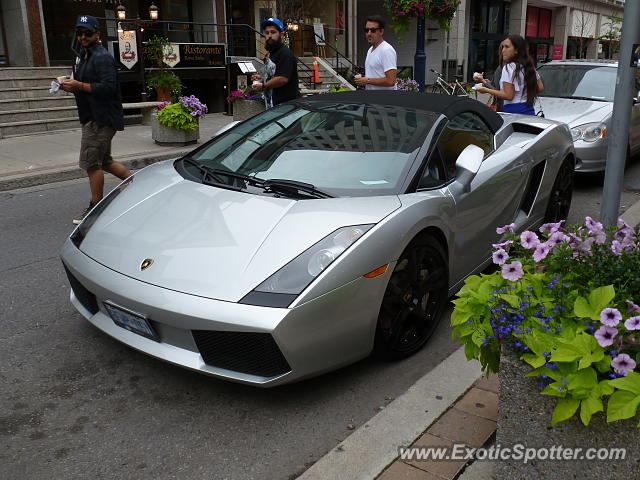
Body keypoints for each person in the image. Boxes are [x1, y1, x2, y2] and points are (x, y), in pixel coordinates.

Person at [60, 15, 131, 224]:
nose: (82, 37)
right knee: (105, 161)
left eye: (87, 33)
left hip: (100, 119)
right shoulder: (85, 55)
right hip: (92, 116)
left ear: (97, 35)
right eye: (79, 33)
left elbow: (109, 89)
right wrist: (68, 86)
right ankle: (135, 184)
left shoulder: (102, 57)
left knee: (91, 164)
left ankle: (95, 208)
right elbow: (84, 85)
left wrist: (79, 86)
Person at [476, 35, 544, 116]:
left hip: (513, 111)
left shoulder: (509, 67)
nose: (503, 50)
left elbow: (508, 95)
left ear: (516, 50)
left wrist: (486, 90)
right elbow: (540, 88)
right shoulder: (528, 66)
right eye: (503, 47)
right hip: (529, 109)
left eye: (507, 47)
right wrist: (524, 91)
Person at [251, 17, 299, 108]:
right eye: (267, 33)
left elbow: (282, 78)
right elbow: (274, 74)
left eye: (273, 32)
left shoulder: (285, 53)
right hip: (272, 107)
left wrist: (263, 86)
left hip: (285, 109)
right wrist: (262, 78)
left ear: (281, 34)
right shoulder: (272, 53)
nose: (269, 35)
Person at [355, 15, 397, 90]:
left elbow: (391, 81)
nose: (369, 33)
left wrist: (367, 80)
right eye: (366, 30)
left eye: (373, 30)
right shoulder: (370, 50)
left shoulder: (386, 50)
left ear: (381, 31)